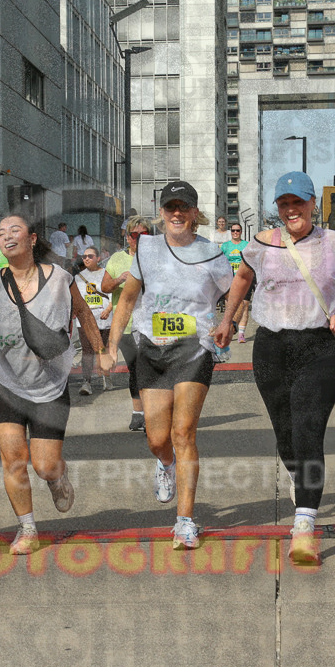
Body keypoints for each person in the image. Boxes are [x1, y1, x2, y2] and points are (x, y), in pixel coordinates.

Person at [216, 171, 335, 567]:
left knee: (308, 430)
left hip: (317, 346)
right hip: (271, 347)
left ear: (313, 203)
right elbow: (242, 278)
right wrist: (227, 319)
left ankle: (304, 527)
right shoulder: (261, 243)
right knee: (286, 437)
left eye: (299, 202)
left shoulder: (333, 242)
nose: (292, 209)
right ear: (277, 208)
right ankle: (299, 481)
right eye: (284, 203)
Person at [102, 181, 232, 551]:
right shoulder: (146, 248)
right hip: (152, 350)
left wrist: (227, 323)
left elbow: (235, 291)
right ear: (161, 213)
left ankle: (185, 521)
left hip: (194, 349)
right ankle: (165, 464)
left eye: (184, 208)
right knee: (158, 439)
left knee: (184, 431)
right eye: (170, 207)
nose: (177, 214)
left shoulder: (211, 253)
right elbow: (127, 301)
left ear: (194, 213)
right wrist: (112, 346)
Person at [0, 215, 105, 555]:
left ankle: (56, 476)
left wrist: (103, 351)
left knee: (44, 464)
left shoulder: (60, 278)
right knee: (12, 458)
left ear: (33, 239)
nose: (7, 236)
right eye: (1, 232)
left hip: (49, 386)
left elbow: (84, 314)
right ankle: (28, 528)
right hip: (5, 384)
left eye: (15, 230)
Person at [102, 216, 151, 432]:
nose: (138, 239)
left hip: (152, 325)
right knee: (136, 371)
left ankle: (151, 414)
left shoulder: (157, 258)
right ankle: (139, 414)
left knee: (151, 371)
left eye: (144, 235)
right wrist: (119, 279)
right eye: (134, 235)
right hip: (126, 326)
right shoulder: (116, 259)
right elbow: (104, 286)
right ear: (127, 236)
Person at [75, 247, 114, 395]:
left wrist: (108, 309)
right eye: (84, 256)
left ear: (98, 258)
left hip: (103, 318)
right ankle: (87, 383)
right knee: (87, 351)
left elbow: (113, 295)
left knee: (103, 350)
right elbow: (77, 299)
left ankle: (106, 377)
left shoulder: (106, 274)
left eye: (90, 256)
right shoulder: (78, 277)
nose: (86, 259)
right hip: (85, 320)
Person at [220, 223, 251, 343]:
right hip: (230, 279)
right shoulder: (225, 246)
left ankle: (241, 334)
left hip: (245, 279)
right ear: (230, 232)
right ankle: (230, 329)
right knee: (230, 306)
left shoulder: (246, 245)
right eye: (233, 231)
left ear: (241, 232)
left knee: (245, 305)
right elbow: (220, 262)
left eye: (237, 230)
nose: (235, 233)